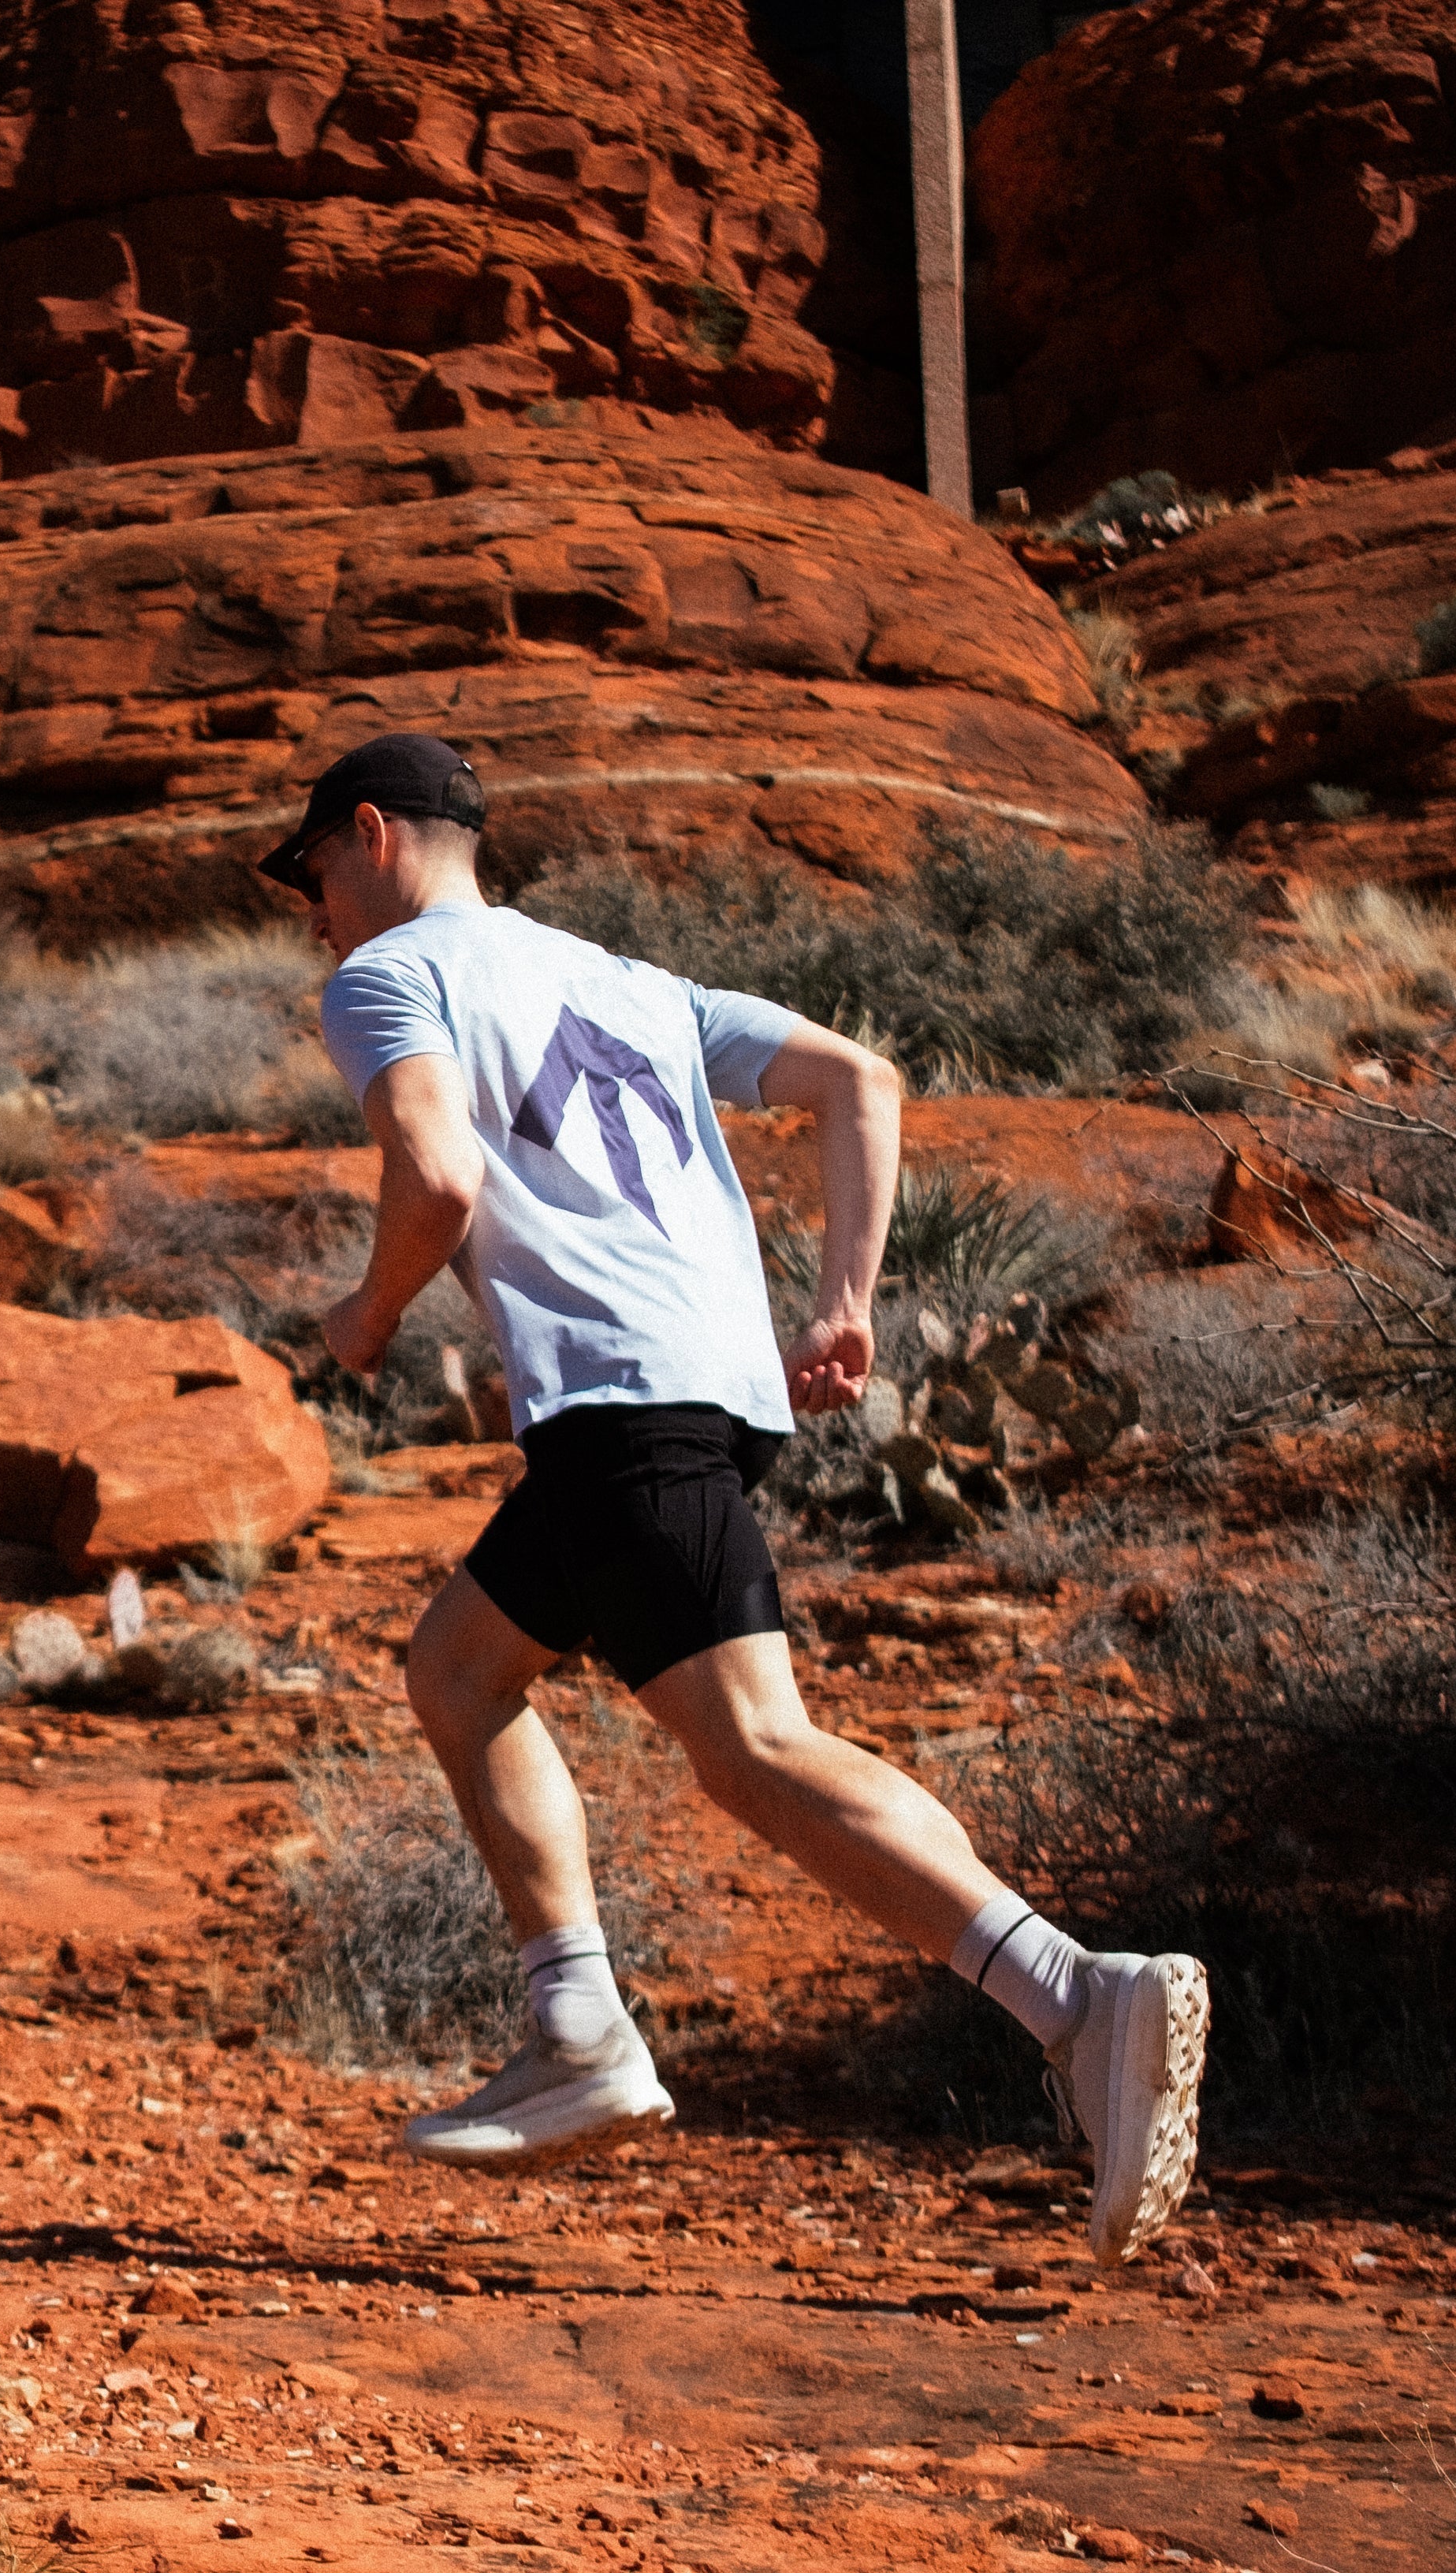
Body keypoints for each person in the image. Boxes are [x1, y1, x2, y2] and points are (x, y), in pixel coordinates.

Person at [266, 732, 1208, 2264]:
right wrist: (847, 1300)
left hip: (623, 1405)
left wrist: (363, 1321)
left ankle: (1077, 1998)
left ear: (369, 835)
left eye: (313, 875)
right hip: (693, 1393)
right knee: (455, 1672)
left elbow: (435, 1183)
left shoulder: (389, 979)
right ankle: (576, 2030)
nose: (316, 915)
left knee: (755, 1746)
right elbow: (859, 1078)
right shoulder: (635, 984)